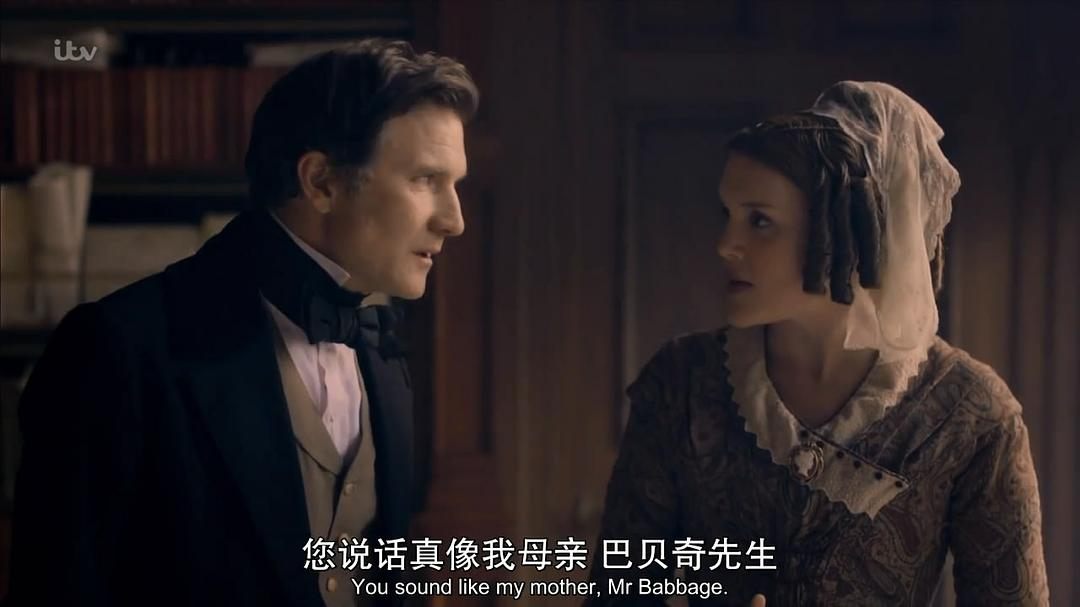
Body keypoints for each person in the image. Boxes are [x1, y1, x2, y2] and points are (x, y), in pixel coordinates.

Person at [9, 39, 477, 607]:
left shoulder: (382, 350)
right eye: (426, 179)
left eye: (455, 184)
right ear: (321, 182)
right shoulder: (115, 350)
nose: (454, 219)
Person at [587, 82, 1048, 605]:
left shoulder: (971, 414)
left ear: (843, 231)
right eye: (728, 216)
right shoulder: (682, 382)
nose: (726, 245)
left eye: (760, 221)